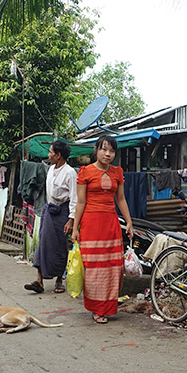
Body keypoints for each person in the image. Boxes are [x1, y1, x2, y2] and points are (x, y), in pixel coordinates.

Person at [72, 135, 133, 324]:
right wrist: (75, 227)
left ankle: (107, 307)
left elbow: (120, 199)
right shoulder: (85, 172)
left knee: (113, 267)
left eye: (112, 151)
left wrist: (129, 222)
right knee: (93, 268)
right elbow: (81, 202)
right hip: (91, 224)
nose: (108, 154)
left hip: (111, 224)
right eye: (104, 149)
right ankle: (96, 308)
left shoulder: (117, 172)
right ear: (96, 150)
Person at [24, 140, 77, 294]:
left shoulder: (70, 173)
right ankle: (39, 280)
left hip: (63, 211)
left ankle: (59, 280)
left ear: (58, 155)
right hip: (49, 210)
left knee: (60, 246)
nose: (49, 155)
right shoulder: (51, 169)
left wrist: (71, 219)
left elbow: (74, 197)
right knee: (43, 243)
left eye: (51, 152)